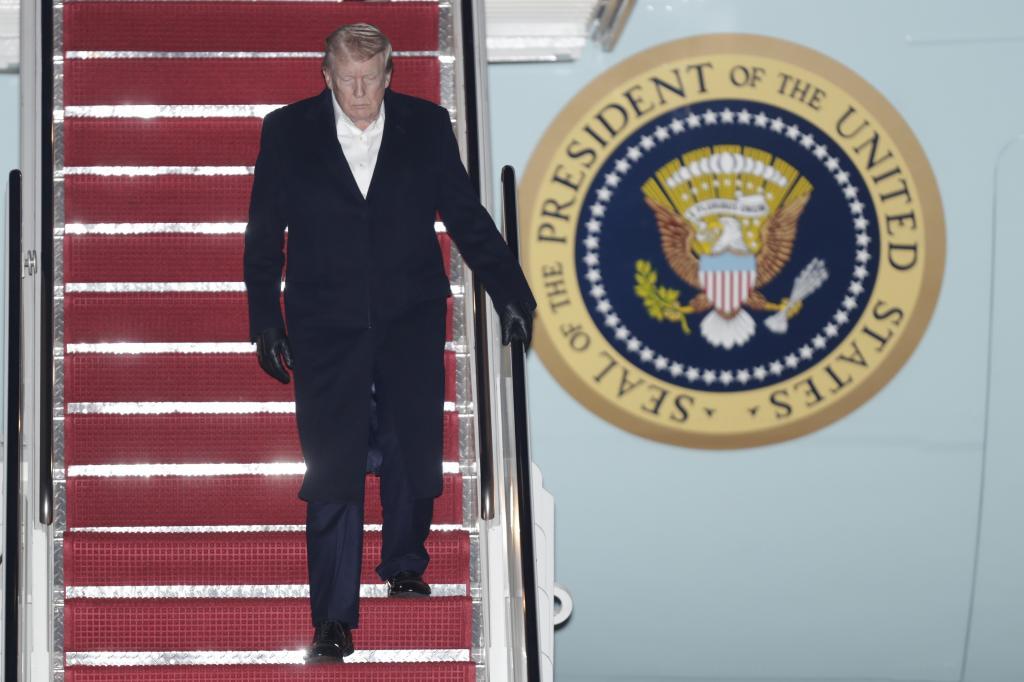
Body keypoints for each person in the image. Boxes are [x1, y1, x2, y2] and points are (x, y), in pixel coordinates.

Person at [243, 23, 536, 663]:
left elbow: (466, 216)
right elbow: (263, 235)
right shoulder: (287, 131)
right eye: (346, 79)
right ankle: (332, 619)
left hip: (410, 314)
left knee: (410, 440)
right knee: (332, 466)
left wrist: (510, 292)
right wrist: (264, 319)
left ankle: (404, 561)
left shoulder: (426, 126)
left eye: (369, 79)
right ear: (326, 75)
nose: (358, 92)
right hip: (324, 324)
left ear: (388, 76)